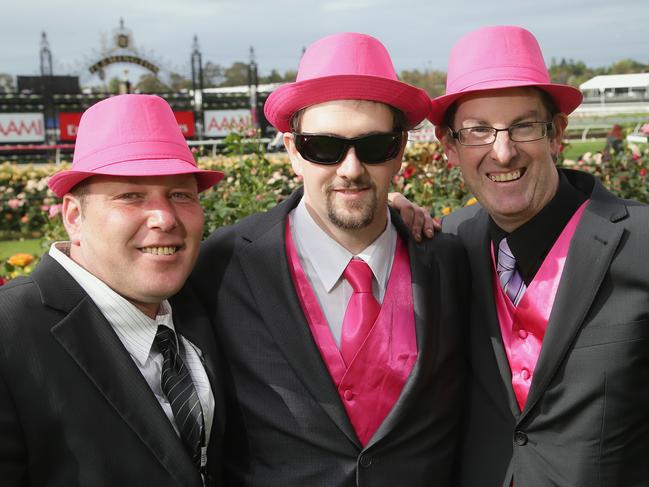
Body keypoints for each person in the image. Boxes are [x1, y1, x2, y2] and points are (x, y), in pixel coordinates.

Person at [190, 32, 470, 486]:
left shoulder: (450, 262)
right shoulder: (221, 267)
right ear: (292, 151)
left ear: (399, 150)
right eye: (324, 147)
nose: (351, 168)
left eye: (374, 146)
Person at [433, 25, 649, 487]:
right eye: (478, 131)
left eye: (523, 126)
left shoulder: (642, 242)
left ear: (557, 134)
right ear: (450, 147)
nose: (503, 151)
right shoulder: (444, 245)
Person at [0, 94, 226, 486]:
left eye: (180, 195)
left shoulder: (204, 300)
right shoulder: (10, 333)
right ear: (74, 216)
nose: (164, 218)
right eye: (130, 195)